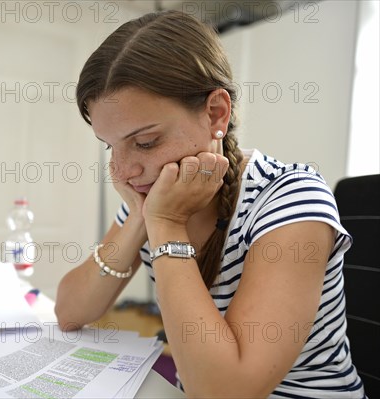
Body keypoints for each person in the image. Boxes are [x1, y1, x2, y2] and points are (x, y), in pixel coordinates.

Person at [54, 10, 366, 398]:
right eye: (110, 146)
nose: (124, 170)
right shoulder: (154, 193)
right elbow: (70, 312)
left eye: (146, 141)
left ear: (216, 113)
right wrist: (140, 214)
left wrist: (165, 224)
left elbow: (227, 391)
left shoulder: (291, 198)